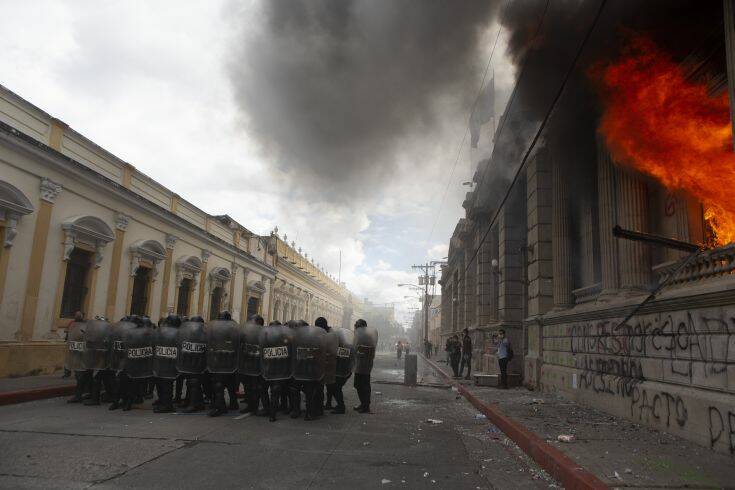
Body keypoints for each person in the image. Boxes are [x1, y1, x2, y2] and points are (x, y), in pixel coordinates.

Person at [353, 319, 378, 414]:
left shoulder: (365, 336)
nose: (355, 326)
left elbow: (367, 349)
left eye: (357, 325)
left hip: (364, 363)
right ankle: (363, 404)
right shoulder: (364, 336)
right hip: (361, 363)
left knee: (364, 385)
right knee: (359, 384)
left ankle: (366, 406)